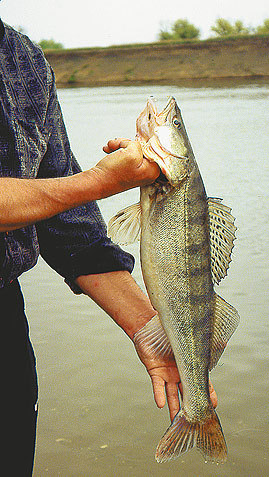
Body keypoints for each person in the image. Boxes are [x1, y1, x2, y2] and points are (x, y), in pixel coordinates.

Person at [0, 19, 217, 475]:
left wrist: (148, 330)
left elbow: (68, 224)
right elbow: (76, 192)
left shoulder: (24, 61)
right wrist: (102, 182)